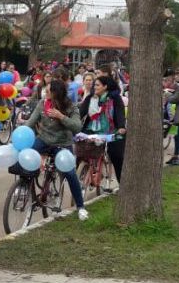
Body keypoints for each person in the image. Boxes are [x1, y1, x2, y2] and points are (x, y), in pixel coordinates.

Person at [24, 79, 89, 221]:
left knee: (70, 173)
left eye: (47, 91)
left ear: (56, 93)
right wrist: (22, 133)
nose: (44, 93)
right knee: (24, 161)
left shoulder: (71, 107)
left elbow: (77, 127)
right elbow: (31, 122)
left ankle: (81, 207)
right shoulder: (42, 104)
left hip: (62, 144)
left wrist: (61, 117)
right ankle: (24, 189)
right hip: (44, 140)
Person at [79, 75, 127, 181]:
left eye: (97, 85)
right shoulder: (90, 98)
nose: (94, 87)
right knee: (80, 150)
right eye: (94, 85)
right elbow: (81, 113)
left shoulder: (115, 98)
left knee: (117, 156)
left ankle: (122, 183)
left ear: (105, 86)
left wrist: (121, 127)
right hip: (92, 129)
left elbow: (119, 113)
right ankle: (81, 173)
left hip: (111, 130)